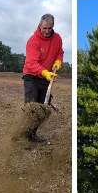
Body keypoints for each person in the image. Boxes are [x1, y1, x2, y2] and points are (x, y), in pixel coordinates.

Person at [23, 13, 64, 143]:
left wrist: (58, 62)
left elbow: (60, 53)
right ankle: (24, 132)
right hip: (32, 77)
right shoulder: (33, 40)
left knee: (43, 108)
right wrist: (45, 72)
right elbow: (31, 63)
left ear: (53, 27)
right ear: (40, 25)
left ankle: (32, 134)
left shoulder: (57, 38)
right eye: (44, 28)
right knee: (32, 107)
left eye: (49, 28)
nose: (47, 31)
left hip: (45, 79)